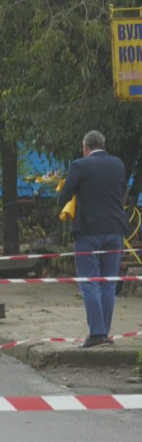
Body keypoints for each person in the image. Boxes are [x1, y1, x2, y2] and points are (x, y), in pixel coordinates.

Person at [58, 130, 130, 348]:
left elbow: (65, 196)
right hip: (115, 230)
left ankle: (97, 333)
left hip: (88, 232)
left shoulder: (80, 165)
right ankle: (105, 333)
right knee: (108, 283)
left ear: (85, 147)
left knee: (89, 282)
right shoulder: (118, 164)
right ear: (103, 145)